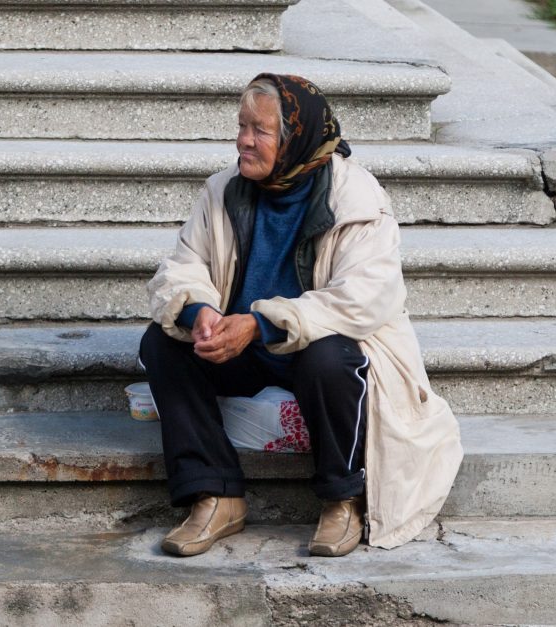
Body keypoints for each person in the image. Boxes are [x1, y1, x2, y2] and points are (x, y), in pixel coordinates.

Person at [139, 73, 463, 557]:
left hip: (311, 348)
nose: (244, 140)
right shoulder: (223, 189)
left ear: (297, 138)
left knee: (331, 357)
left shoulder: (356, 198)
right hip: (249, 345)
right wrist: (201, 311)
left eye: (260, 131)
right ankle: (216, 493)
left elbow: (364, 296)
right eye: (242, 126)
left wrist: (260, 323)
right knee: (163, 342)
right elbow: (183, 264)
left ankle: (342, 500)